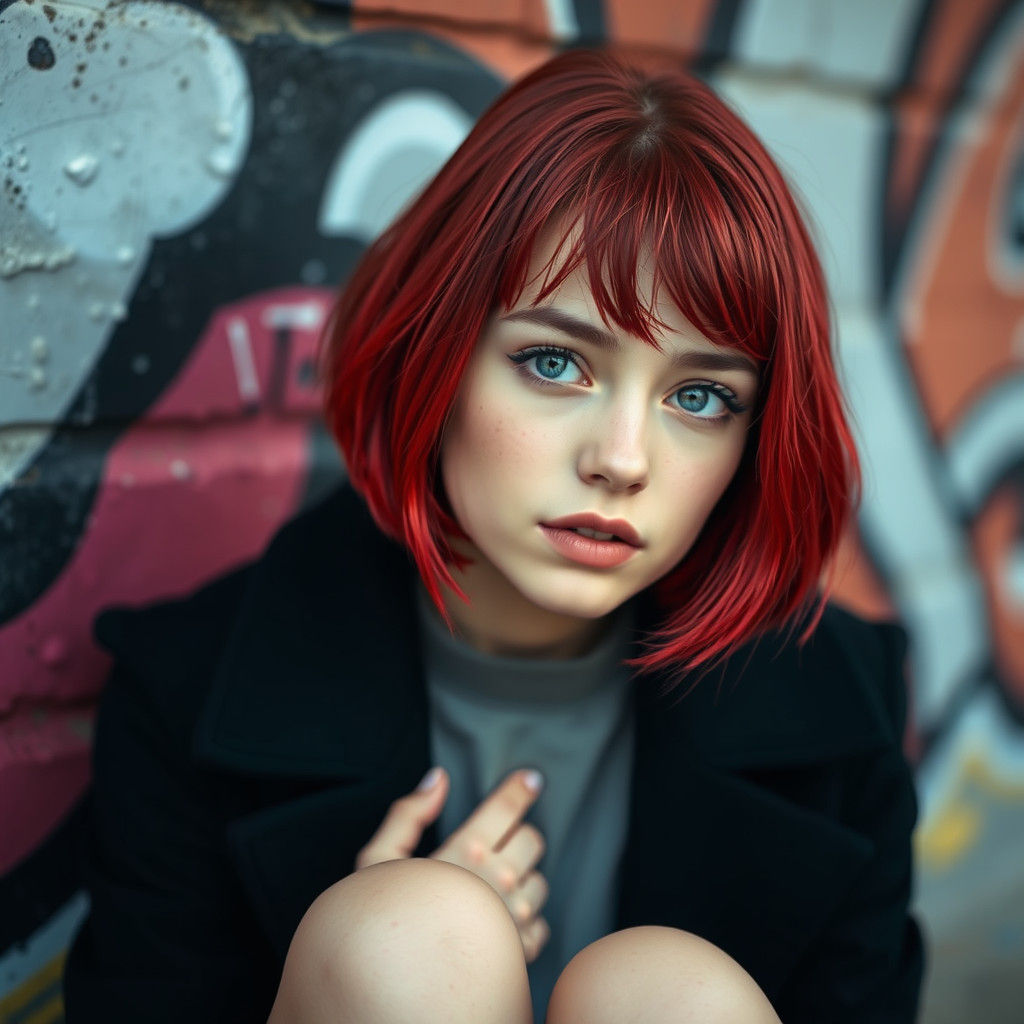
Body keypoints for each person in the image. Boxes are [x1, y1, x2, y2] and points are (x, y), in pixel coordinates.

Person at [64, 48, 924, 1023]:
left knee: (677, 998)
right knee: (409, 939)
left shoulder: (840, 705)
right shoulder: (189, 688)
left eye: (698, 395)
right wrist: (340, 967)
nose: (622, 458)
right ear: (436, 349)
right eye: (555, 362)